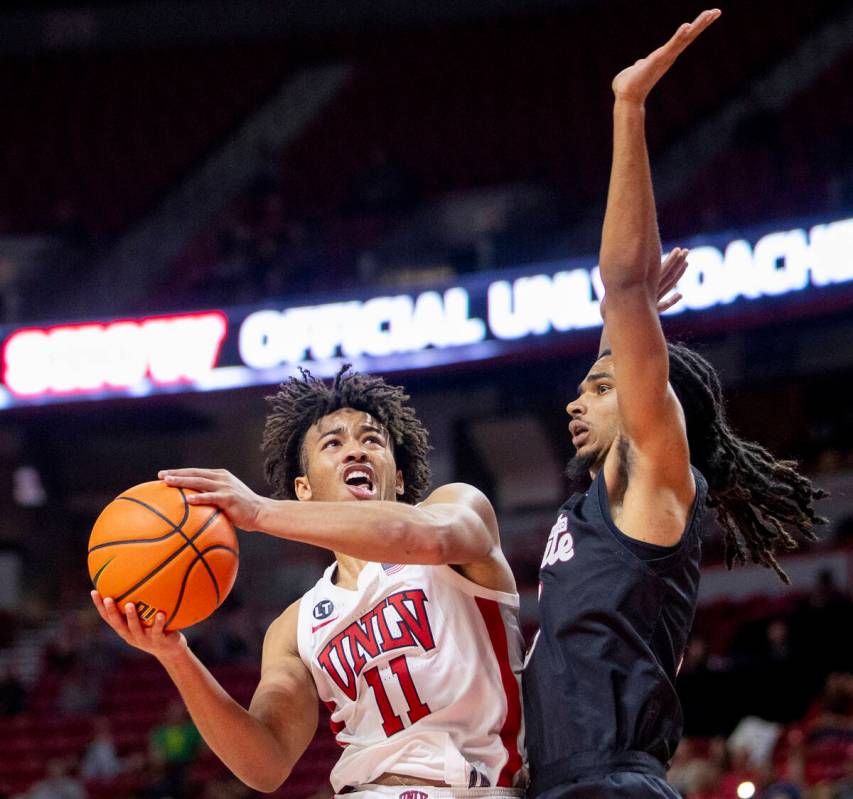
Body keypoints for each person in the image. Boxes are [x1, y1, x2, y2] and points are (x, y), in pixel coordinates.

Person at [523, 10, 827, 799]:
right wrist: (620, 330)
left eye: (599, 384)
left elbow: (622, 284)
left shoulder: (653, 478)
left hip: (610, 784)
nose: (572, 401)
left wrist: (628, 110)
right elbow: (622, 331)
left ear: (658, 406)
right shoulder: (604, 496)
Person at [92, 367, 524, 798]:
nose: (356, 450)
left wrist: (261, 513)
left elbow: (417, 536)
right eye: (333, 443)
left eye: (372, 440)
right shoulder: (294, 627)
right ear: (303, 488)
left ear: (400, 478)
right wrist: (174, 654)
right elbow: (265, 764)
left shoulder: (457, 511)